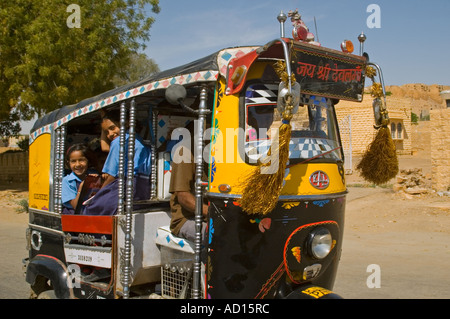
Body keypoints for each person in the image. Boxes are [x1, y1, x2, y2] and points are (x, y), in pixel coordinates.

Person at [83, 109, 152, 215]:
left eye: (112, 128)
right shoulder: (139, 140)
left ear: (126, 123)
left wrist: (99, 194)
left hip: (124, 186)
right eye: (106, 132)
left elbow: (111, 176)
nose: (110, 134)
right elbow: (105, 147)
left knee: (91, 208)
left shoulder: (118, 142)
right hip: (143, 187)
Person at [169, 121, 209, 243]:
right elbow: (183, 197)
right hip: (186, 219)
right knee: (220, 236)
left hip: (211, 217)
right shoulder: (184, 151)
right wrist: (212, 212)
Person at [61, 143, 98, 214]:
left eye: (81, 160)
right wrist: (81, 188)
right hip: (73, 216)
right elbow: (75, 206)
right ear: (68, 163)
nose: (77, 164)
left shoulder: (93, 174)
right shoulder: (67, 181)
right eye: (73, 161)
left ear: (88, 161)